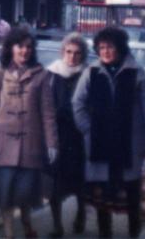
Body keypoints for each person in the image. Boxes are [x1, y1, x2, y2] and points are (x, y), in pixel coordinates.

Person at [72, 27, 145, 239]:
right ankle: (104, 233)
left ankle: (134, 231)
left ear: (120, 48)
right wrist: (88, 129)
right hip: (100, 142)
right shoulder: (91, 72)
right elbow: (77, 103)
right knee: (102, 194)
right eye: (101, 47)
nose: (105, 52)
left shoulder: (136, 72)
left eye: (110, 47)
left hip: (130, 143)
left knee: (132, 192)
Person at [0, 27, 58, 239]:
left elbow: (48, 113)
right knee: (5, 193)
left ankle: (26, 222)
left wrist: (51, 143)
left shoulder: (41, 76)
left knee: (25, 193)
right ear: (11, 48)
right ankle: (9, 233)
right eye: (20, 46)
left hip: (31, 145)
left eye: (29, 47)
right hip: (2, 144)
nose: (25, 51)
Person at [48, 33, 90, 238]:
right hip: (59, 136)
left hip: (80, 137)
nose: (72, 57)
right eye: (69, 52)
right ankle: (57, 226)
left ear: (82, 55)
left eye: (77, 53)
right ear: (63, 52)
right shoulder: (52, 74)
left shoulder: (88, 75)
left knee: (81, 182)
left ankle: (81, 214)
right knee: (55, 184)